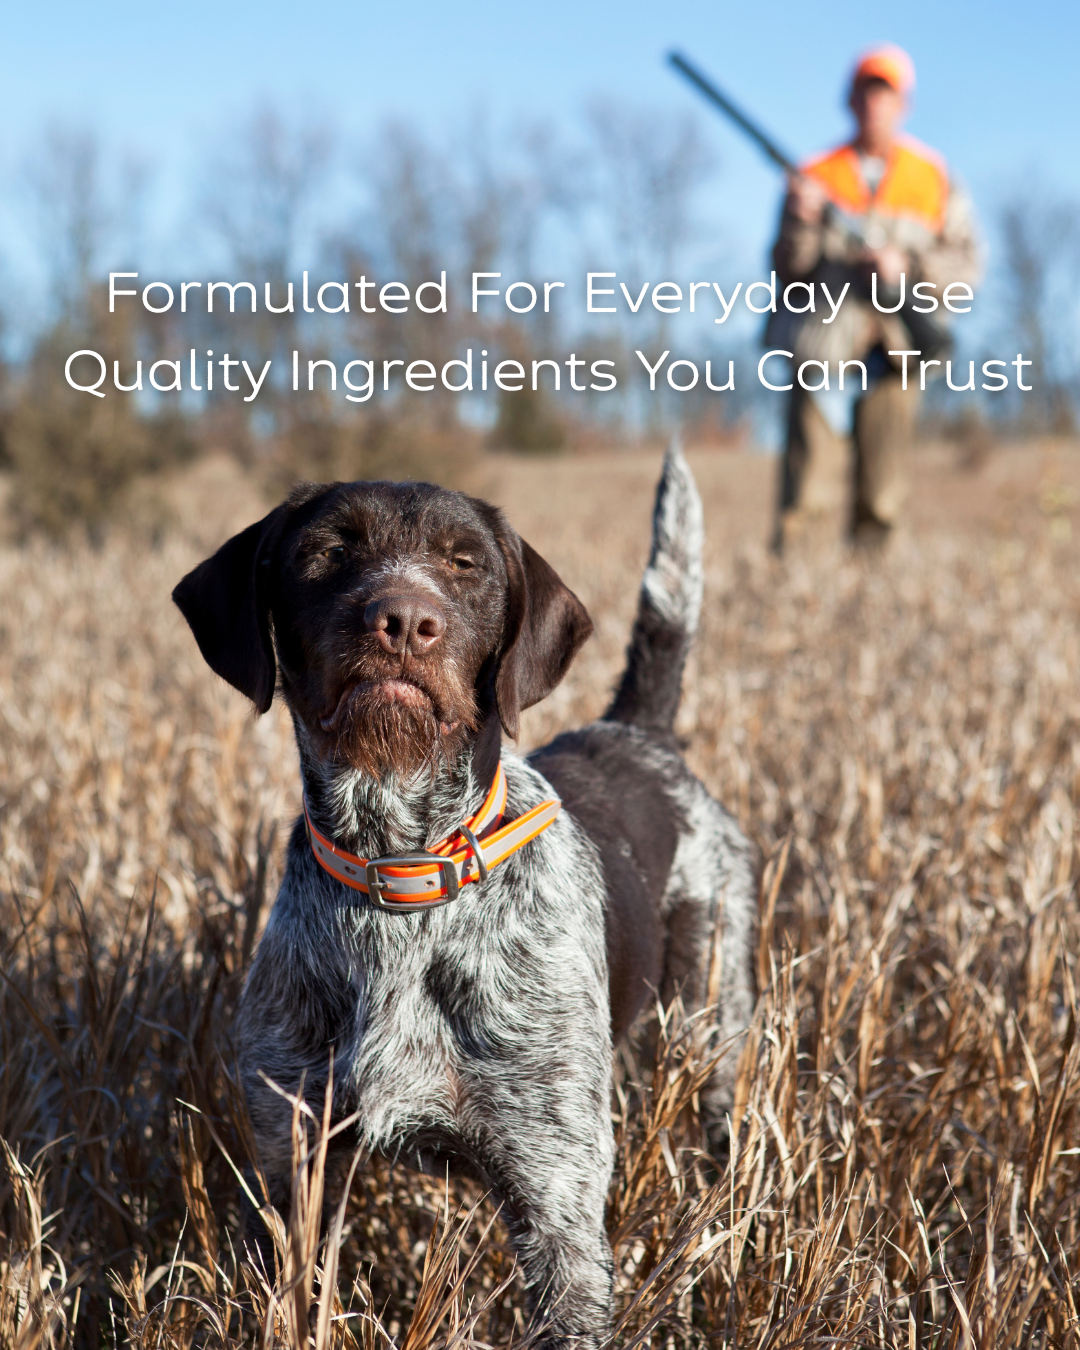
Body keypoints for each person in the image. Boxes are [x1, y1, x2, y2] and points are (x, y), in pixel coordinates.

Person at [770, 45, 981, 551]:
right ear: (851, 100)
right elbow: (786, 267)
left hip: (898, 348)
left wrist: (905, 266)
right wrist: (801, 219)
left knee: (883, 500)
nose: (875, 105)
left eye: (885, 94)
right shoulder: (816, 173)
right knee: (805, 500)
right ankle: (794, 601)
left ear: (902, 105)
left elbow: (966, 264)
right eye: (867, 92)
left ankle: (870, 605)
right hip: (823, 345)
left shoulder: (932, 176)